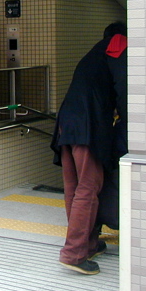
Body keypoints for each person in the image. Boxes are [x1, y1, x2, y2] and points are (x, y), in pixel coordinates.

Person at [50, 21, 127, 275]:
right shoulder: (118, 46)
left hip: (67, 123)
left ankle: (89, 243)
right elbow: (124, 90)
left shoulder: (93, 54)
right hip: (87, 125)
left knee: (73, 188)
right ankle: (74, 253)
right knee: (89, 187)